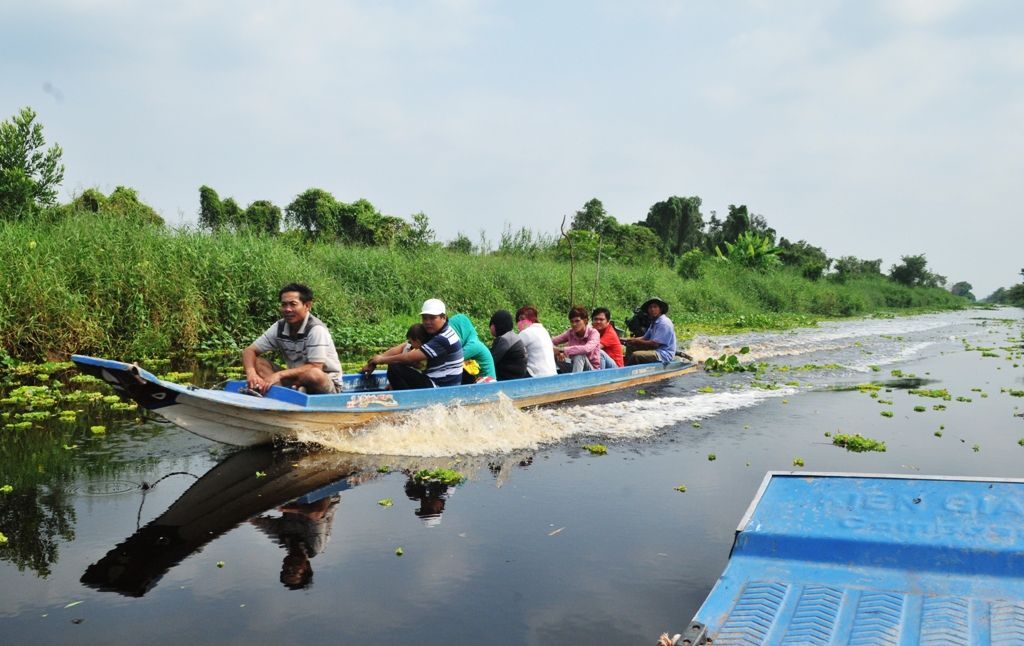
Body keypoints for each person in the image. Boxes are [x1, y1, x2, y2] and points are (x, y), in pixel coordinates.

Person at [242, 283, 343, 395]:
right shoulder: (279, 327)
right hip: (294, 378)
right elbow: (249, 351)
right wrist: (251, 374)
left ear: (307, 306)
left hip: (324, 383)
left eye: (293, 304)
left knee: (314, 373)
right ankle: (281, 394)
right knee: (257, 362)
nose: (287, 309)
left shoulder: (316, 329)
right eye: (284, 305)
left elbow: (316, 366)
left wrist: (278, 375)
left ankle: (291, 390)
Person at [359, 299, 464, 390]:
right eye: (425, 318)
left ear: (444, 318)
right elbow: (403, 347)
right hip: (433, 380)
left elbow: (409, 358)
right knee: (396, 364)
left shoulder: (444, 338)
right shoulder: (433, 332)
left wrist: (381, 360)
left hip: (441, 387)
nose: (427, 322)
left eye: (432, 318)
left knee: (395, 368)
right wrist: (373, 362)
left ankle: (406, 402)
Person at [623, 297, 677, 365]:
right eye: (650, 307)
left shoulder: (664, 323)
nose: (652, 309)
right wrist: (627, 340)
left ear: (660, 309)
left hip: (663, 354)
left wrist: (636, 341)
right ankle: (626, 366)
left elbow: (655, 343)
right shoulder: (654, 322)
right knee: (630, 346)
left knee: (636, 355)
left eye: (655, 307)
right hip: (655, 349)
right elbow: (644, 338)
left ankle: (629, 371)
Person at [448, 314, 497, 384]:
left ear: (461, 331)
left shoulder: (474, 345)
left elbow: (453, 359)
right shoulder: (472, 342)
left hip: (487, 384)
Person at [551, 305, 601, 373]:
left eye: (577, 321)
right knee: (555, 356)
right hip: (574, 365)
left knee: (579, 355)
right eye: (572, 321)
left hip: (591, 371)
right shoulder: (570, 332)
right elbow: (550, 341)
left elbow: (586, 349)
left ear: (585, 321)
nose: (574, 324)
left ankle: (575, 382)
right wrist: (558, 353)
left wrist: (561, 350)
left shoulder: (593, 333)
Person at [515, 306, 558, 377]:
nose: (520, 322)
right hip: (552, 374)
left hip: (536, 375)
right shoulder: (543, 330)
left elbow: (512, 348)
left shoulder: (527, 332)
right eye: (518, 320)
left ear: (532, 318)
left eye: (522, 319)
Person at [488, 310, 529, 380]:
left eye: (493, 324)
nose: (491, 327)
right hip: (517, 377)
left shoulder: (505, 340)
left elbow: (490, 360)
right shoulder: (512, 336)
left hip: (509, 378)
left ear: (499, 325)